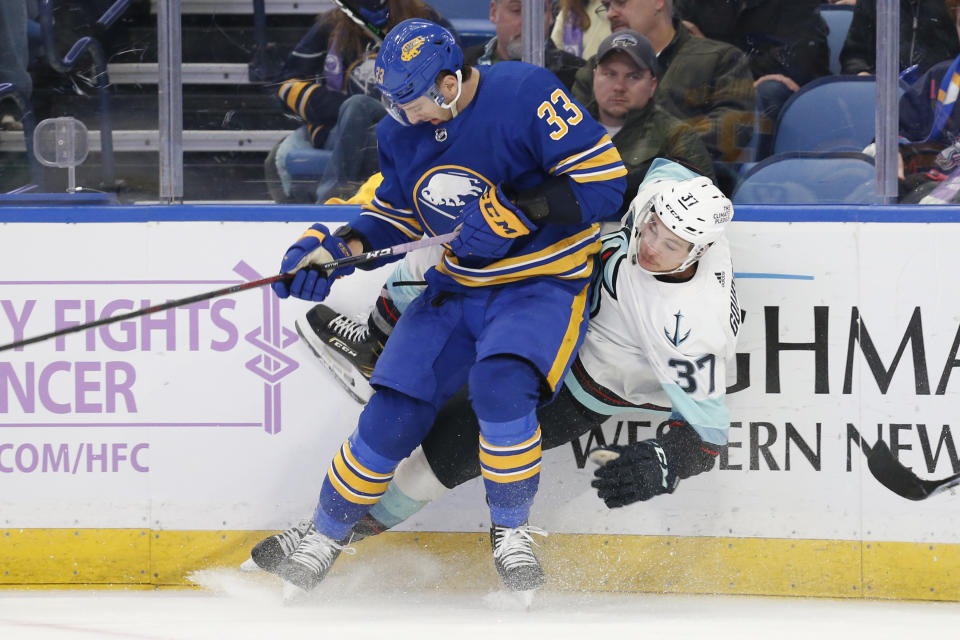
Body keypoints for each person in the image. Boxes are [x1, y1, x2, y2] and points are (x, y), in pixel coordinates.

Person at [264, 19, 626, 600]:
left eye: (415, 102)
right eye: (396, 104)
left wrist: (526, 208)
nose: (406, 117)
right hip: (457, 285)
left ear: (452, 81)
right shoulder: (400, 132)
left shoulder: (526, 93)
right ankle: (324, 535)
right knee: (391, 412)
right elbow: (399, 215)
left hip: (541, 282)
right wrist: (336, 250)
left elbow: (607, 185)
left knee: (502, 385)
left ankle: (511, 532)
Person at [246, 160, 738, 569]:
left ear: (700, 250)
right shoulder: (670, 190)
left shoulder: (694, 327)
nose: (650, 245)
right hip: (554, 305)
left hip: (574, 388)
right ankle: (380, 344)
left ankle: (322, 538)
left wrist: (667, 462)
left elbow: (709, 439)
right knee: (452, 246)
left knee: (427, 471)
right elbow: (638, 167)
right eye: (652, 227)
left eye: (671, 245)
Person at [264, 0, 452, 204]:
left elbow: (456, 75)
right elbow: (286, 84)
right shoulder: (332, 24)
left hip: (408, 124)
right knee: (357, 109)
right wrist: (339, 108)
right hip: (342, 130)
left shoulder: (423, 19)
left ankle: (329, 202)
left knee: (362, 111)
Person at [575, 0, 755, 194]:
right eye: (607, 5)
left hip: (687, 199)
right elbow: (574, 136)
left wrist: (646, 160)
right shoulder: (594, 70)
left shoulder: (721, 59)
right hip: (601, 202)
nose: (611, 13)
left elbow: (729, 131)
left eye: (620, 3)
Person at [675, 0, 830, 158]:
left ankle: (740, 177)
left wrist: (724, 63)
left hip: (779, 90)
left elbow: (794, 60)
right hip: (719, 82)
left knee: (768, 91)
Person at [582, 29, 714, 198]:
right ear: (595, 77)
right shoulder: (568, 130)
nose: (619, 87)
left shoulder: (677, 136)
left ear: (652, 85)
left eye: (633, 77)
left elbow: (707, 204)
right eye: (610, 74)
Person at [467, 0, 586, 91]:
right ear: (494, 12)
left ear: (551, 16)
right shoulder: (459, 65)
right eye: (516, 10)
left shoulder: (577, 76)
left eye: (538, 11)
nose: (527, 21)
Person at [840, 0, 960, 77]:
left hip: (936, 93)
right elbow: (854, 55)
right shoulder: (872, 2)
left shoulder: (951, 5)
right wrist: (862, 74)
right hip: (880, 93)